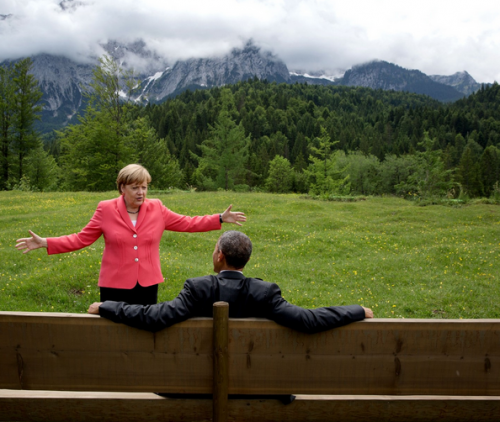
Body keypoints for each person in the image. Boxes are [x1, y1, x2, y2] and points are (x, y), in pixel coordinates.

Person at [16, 164, 246, 305]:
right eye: (135, 187)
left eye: (144, 187)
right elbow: (81, 238)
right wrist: (46, 242)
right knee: (112, 332)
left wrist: (219, 218)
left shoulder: (157, 208)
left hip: (147, 283)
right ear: (122, 188)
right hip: (114, 284)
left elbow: (187, 222)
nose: (141, 192)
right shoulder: (105, 209)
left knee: (144, 329)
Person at [88, 231, 373, 333]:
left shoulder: (198, 289)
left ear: (220, 256)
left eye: (214, 249)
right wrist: (357, 311)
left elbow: (154, 317)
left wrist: (107, 306)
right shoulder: (265, 293)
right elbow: (309, 320)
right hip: (255, 386)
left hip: (191, 387)